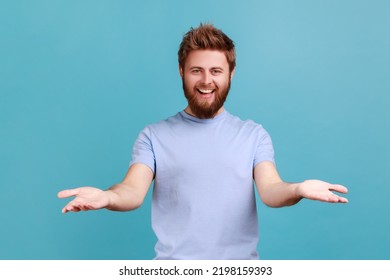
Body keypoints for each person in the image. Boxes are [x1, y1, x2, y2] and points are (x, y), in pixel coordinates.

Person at [58, 23, 348, 260]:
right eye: (196, 70)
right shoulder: (154, 136)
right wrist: (107, 197)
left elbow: (271, 190)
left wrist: (298, 189)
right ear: (182, 72)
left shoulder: (253, 134)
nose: (206, 81)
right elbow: (132, 191)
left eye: (216, 71)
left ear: (231, 74)